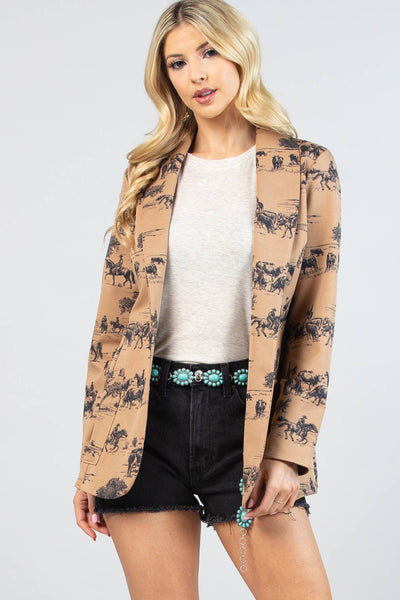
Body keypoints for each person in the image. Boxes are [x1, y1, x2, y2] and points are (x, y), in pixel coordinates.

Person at [73, 1, 341, 598]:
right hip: (143, 425)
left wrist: (289, 452)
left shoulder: (306, 168)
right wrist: (94, 458)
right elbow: (112, 328)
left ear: (241, 51)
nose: (196, 73)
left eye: (210, 51)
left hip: (246, 422)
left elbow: (312, 321)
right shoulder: (147, 174)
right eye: (177, 62)